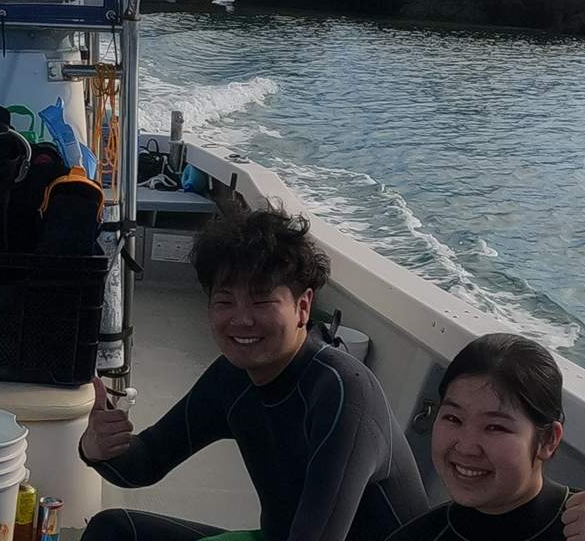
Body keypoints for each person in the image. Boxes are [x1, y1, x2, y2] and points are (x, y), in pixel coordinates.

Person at [82, 209, 427, 541]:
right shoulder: (231, 379)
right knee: (114, 531)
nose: (242, 320)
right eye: (225, 302)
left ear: (303, 307)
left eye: (262, 302)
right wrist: (97, 449)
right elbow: (148, 461)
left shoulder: (342, 392)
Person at [386, 334, 585, 541]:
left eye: (495, 427)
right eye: (453, 418)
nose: (466, 446)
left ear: (548, 440)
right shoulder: (421, 535)